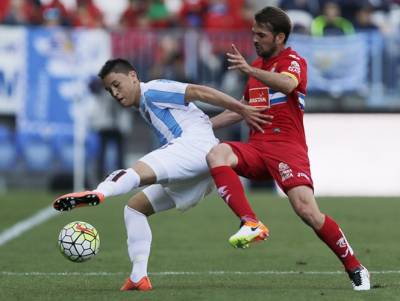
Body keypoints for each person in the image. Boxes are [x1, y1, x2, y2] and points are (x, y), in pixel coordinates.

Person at [52, 58, 272, 291]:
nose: (115, 93)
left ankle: (99, 192)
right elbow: (204, 123)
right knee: (135, 208)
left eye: (117, 84)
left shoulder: (152, 90)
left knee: (136, 172)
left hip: (193, 148)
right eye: (109, 90)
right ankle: (139, 277)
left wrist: (241, 108)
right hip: (203, 166)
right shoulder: (145, 106)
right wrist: (242, 110)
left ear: (134, 76)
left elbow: (198, 91)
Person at [205, 6, 370, 291]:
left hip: (287, 148)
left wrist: (249, 68)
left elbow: (288, 83)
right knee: (216, 153)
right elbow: (242, 110)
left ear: (279, 37)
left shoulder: (293, 60)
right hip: (257, 148)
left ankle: (355, 267)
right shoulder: (255, 69)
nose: (255, 39)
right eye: (253, 33)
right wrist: (204, 126)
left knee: (307, 211)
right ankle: (251, 222)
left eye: (262, 34)